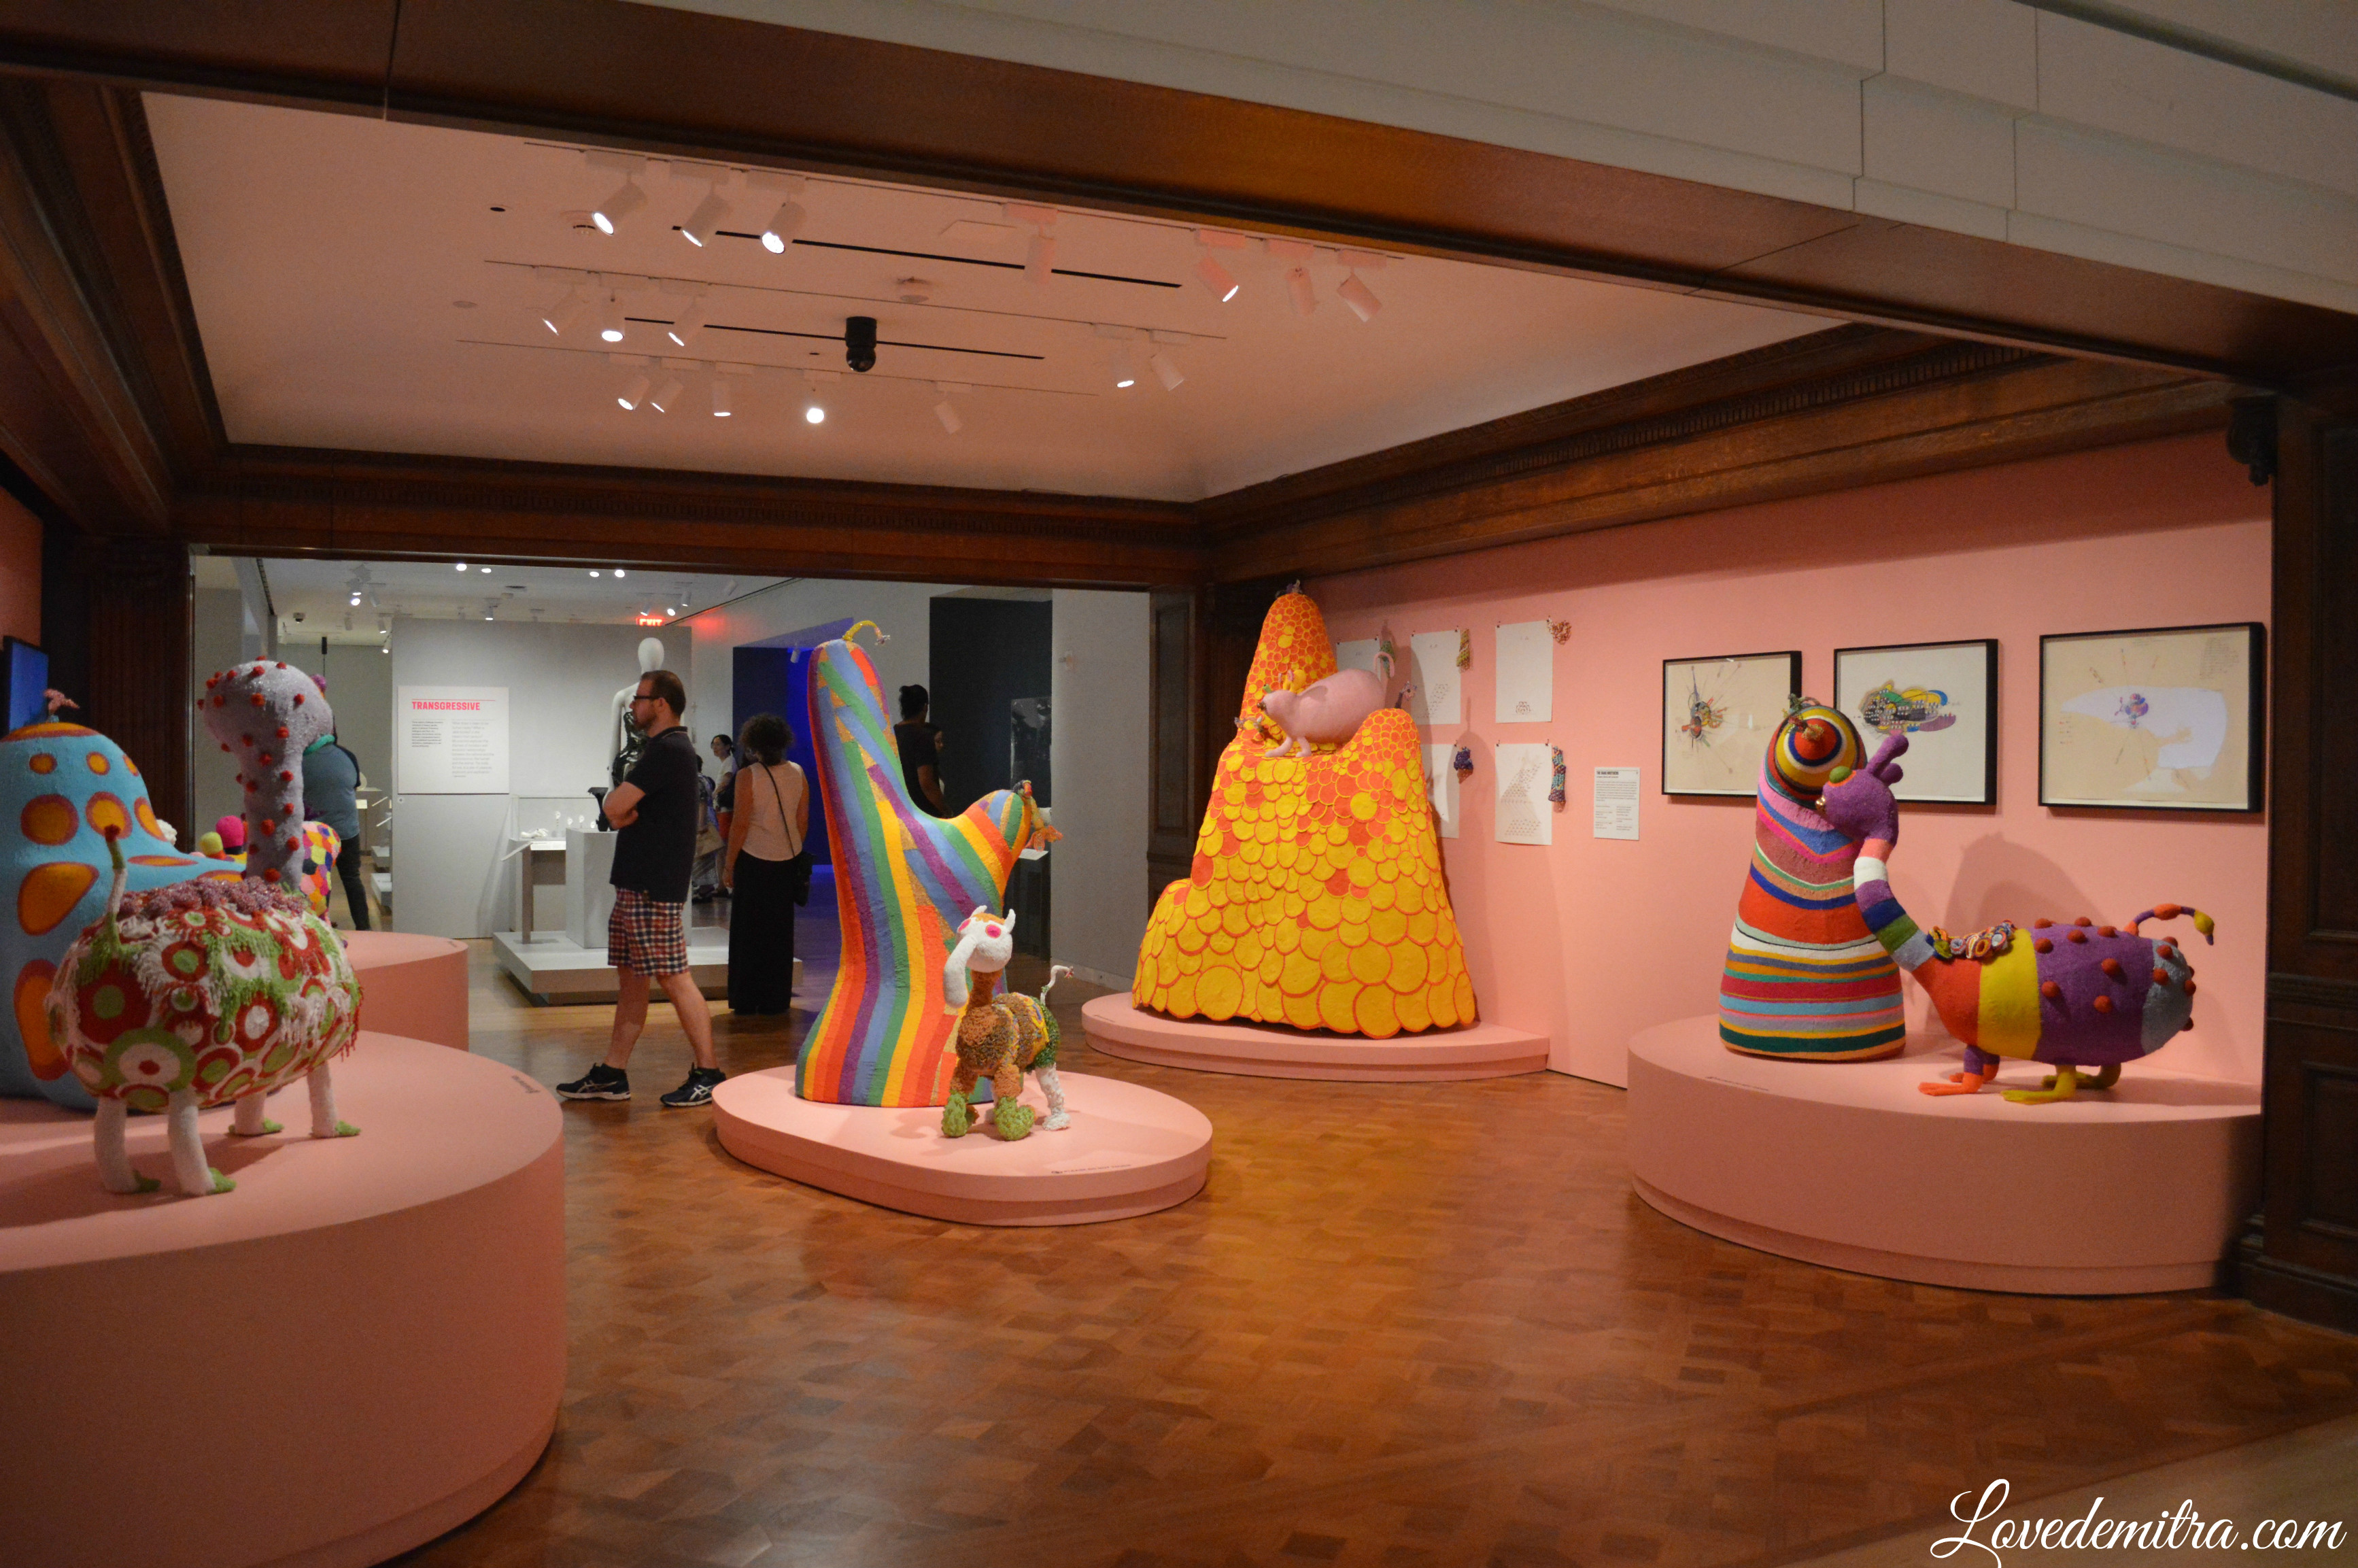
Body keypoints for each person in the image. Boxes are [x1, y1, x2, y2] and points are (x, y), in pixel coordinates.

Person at [557, 668, 725, 1109]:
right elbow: (616, 811)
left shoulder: (668, 749)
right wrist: (623, 813)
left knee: (674, 977)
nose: (633, 706)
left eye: (640, 699)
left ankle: (709, 1073)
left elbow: (613, 807)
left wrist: (623, 813)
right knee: (633, 980)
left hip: (653, 885)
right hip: (640, 882)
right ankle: (613, 1073)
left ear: (661, 704)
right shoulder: (667, 750)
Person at [721, 711, 808, 1016]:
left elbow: (740, 824)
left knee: (749, 932)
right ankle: (775, 998)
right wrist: (791, 849)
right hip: (786, 862)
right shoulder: (798, 773)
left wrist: (729, 865)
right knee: (779, 932)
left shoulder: (748, 776)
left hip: (754, 861)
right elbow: (802, 821)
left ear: (754, 744)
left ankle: (747, 998)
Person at [301, 721, 371, 930]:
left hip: (317, 835)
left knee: (320, 880)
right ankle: (364, 927)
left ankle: (323, 927)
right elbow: (354, 786)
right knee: (352, 878)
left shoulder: (301, 759)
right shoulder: (348, 756)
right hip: (348, 830)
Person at [895, 683, 949, 816]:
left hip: (898, 812)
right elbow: (927, 783)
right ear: (925, 707)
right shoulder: (922, 737)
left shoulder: (892, 734)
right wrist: (945, 811)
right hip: (923, 815)